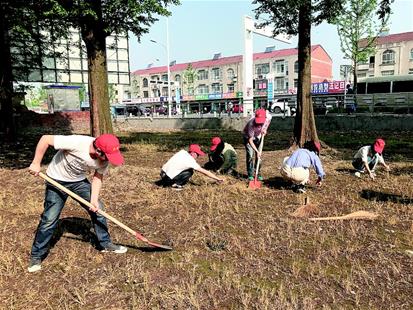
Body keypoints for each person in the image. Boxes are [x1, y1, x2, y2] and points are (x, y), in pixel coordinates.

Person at [27, 134, 127, 273]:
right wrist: (36, 163)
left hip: (78, 182)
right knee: (49, 219)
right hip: (56, 180)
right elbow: (45, 139)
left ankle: (105, 243)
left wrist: (93, 201)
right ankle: (36, 255)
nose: (109, 160)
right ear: (98, 151)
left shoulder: (104, 160)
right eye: (107, 156)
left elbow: (98, 177)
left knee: (99, 209)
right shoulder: (77, 142)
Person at [159, 144, 224, 190]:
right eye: (197, 154)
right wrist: (218, 179)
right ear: (193, 153)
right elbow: (205, 172)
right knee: (190, 172)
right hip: (167, 178)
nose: (198, 156)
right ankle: (174, 185)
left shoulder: (182, 152)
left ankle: (166, 182)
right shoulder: (190, 161)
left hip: (162, 173)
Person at [242, 108, 272, 181]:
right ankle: (250, 174)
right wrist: (257, 151)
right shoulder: (251, 124)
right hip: (248, 138)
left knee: (259, 157)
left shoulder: (268, 118)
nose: (259, 123)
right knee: (250, 155)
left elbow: (266, 126)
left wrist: (264, 131)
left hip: (259, 136)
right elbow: (250, 140)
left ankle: (258, 173)